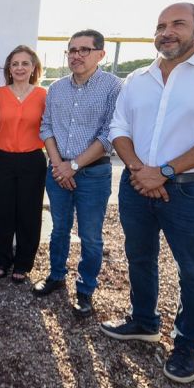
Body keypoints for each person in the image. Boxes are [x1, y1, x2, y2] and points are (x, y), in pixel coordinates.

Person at [101, 3, 194, 383]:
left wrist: (164, 172)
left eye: (178, 24)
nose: (167, 32)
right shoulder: (138, 78)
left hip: (192, 192)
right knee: (139, 258)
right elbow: (119, 126)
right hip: (136, 185)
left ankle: (187, 346)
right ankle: (143, 320)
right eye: (160, 26)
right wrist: (139, 170)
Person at [33, 30, 121, 318]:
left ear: (100, 54)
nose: (77, 55)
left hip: (92, 175)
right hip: (58, 171)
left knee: (90, 235)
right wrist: (59, 164)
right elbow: (46, 127)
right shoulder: (56, 88)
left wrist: (73, 166)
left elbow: (110, 134)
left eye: (85, 50)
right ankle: (56, 276)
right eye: (72, 50)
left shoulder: (113, 87)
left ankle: (85, 290)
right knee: (59, 229)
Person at [0, 45, 46, 284]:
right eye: (15, 64)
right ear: (9, 69)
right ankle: (3, 259)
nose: (20, 68)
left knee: (29, 214)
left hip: (32, 160)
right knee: (3, 212)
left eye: (25, 63)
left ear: (33, 67)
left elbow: (51, 128)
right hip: (2, 159)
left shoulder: (44, 95)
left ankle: (23, 262)